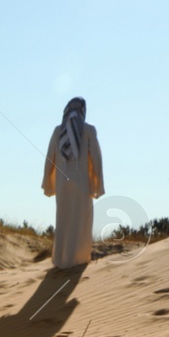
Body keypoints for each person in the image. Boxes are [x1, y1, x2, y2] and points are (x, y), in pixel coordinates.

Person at [41, 97, 104, 269]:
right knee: (81, 221)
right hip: (81, 183)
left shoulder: (57, 131)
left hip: (62, 184)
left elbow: (49, 160)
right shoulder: (89, 130)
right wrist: (98, 184)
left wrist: (48, 182)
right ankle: (79, 258)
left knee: (63, 221)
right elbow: (97, 159)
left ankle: (61, 259)